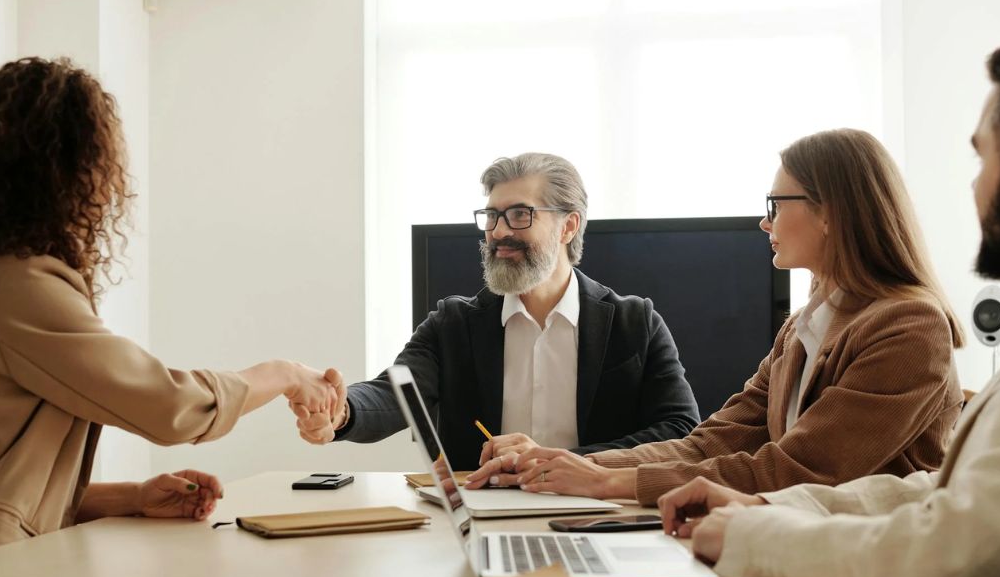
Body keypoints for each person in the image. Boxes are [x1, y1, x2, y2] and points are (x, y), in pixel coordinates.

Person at [658, 26, 1000, 577]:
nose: (973, 188)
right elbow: (942, 491)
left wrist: (754, 535)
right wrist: (770, 507)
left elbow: (961, 553)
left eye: (982, 159)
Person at [0, 57, 340, 573]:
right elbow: (169, 405)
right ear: (64, 167)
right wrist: (283, 374)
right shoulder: (17, 286)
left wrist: (130, 497)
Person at [467, 129, 964, 505]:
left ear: (830, 212)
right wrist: (570, 466)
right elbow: (711, 442)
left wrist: (611, 481)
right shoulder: (801, 329)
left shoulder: (909, 328)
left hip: (864, 576)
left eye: (776, 203)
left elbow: (801, 470)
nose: (764, 221)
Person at [294, 152, 700, 470]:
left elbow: (680, 431)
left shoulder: (635, 323)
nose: (499, 231)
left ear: (568, 226)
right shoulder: (452, 324)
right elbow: (394, 394)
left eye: (520, 214)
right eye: (491, 216)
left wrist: (563, 462)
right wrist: (341, 411)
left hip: (597, 509)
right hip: (485, 511)